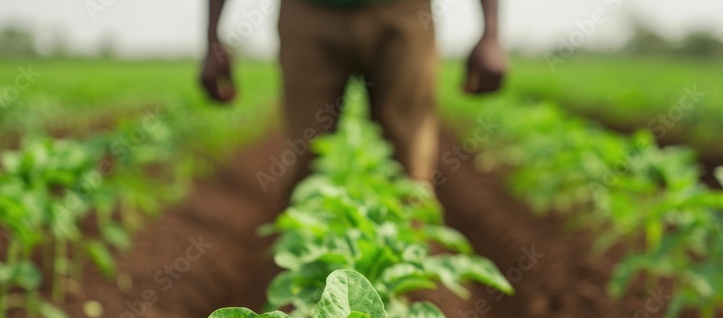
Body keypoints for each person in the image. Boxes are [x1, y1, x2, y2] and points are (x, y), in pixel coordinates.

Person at [199, 0, 505, 188]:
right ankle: (310, 267)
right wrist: (213, 37)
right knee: (307, 158)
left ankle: (410, 256)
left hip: (403, 10)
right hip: (308, 11)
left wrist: (491, 32)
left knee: (410, 164)